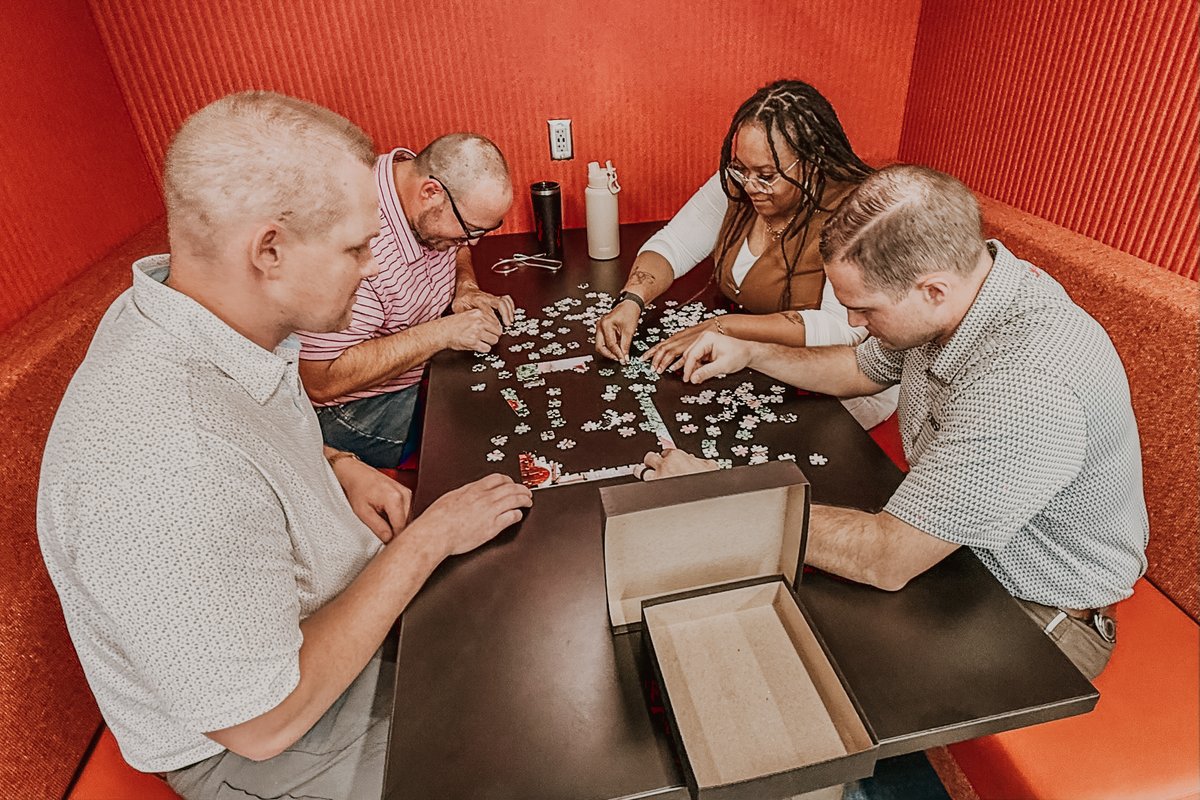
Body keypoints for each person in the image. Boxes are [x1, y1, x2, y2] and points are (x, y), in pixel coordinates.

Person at [37, 92, 533, 800]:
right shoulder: (163, 464)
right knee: (518, 748)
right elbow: (263, 723)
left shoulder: (205, 319)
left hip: (334, 614)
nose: (372, 268)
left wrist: (339, 464)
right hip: (262, 743)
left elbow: (265, 444)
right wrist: (426, 540)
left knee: (517, 642)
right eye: (357, 248)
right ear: (269, 249)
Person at [643, 164, 1148, 679]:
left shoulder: (1023, 386)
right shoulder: (967, 288)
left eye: (864, 309)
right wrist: (750, 351)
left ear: (932, 290)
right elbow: (859, 366)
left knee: (771, 657)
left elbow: (887, 558)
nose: (855, 323)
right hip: (958, 556)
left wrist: (716, 493)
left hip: (1035, 614)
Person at [593, 79, 898, 429]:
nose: (750, 185)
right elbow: (673, 243)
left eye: (767, 175)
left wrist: (724, 327)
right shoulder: (739, 183)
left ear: (812, 163)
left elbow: (839, 329)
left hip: (839, 391)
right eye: (742, 168)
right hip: (756, 369)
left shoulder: (856, 212)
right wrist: (632, 299)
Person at [296, 133, 516, 467]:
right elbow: (320, 381)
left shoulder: (412, 181)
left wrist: (465, 286)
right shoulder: (352, 240)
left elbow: (454, 246)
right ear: (431, 193)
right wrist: (443, 333)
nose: (470, 242)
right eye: (470, 230)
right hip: (356, 409)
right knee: (483, 439)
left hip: (423, 367)